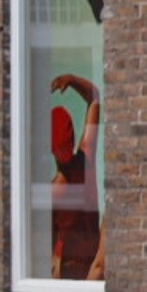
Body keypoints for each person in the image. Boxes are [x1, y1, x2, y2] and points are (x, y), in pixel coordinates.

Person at [47, 73, 105, 281]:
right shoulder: (86, 162)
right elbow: (94, 98)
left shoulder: (54, 190)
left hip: (67, 273)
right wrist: (72, 80)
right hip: (94, 268)